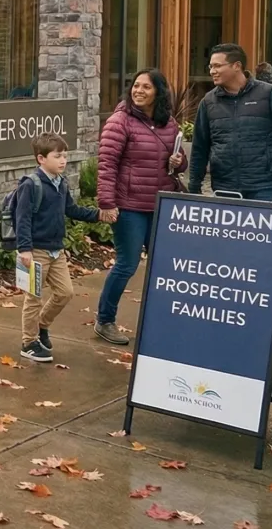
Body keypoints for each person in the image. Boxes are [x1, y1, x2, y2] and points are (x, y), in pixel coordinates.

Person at [94, 69, 185, 346]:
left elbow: (180, 163)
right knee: (127, 264)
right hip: (130, 205)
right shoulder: (120, 121)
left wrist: (178, 161)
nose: (139, 91)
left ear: (158, 92)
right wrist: (107, 203)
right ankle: (104, 320)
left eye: (146, 87)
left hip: (161, 203)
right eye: (136, 86)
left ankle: (160, 321)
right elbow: (107, 164)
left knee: (164, 266)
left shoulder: (169, 124)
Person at [13, 133, 105, 364]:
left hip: (57, 251)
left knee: (65, 292)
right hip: (36, 251)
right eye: (58, 156)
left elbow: (71, 210)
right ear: (41, 159)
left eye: (65, 155)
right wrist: (24, 248)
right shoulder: (31, 184)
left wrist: (98, 215)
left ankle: (42, 325)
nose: (63, 160)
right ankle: (28, 342)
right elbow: (22, 218)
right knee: (33, 298)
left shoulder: (61, 183)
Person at [188, 43, 272, 202]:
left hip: (262, 185)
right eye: (210, 66)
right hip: (224, 186)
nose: (212, 71)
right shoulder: (208, 102)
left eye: (217, 66)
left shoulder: (269, 94)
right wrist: (194, 185)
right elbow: (199, 147)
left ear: (237, 66)